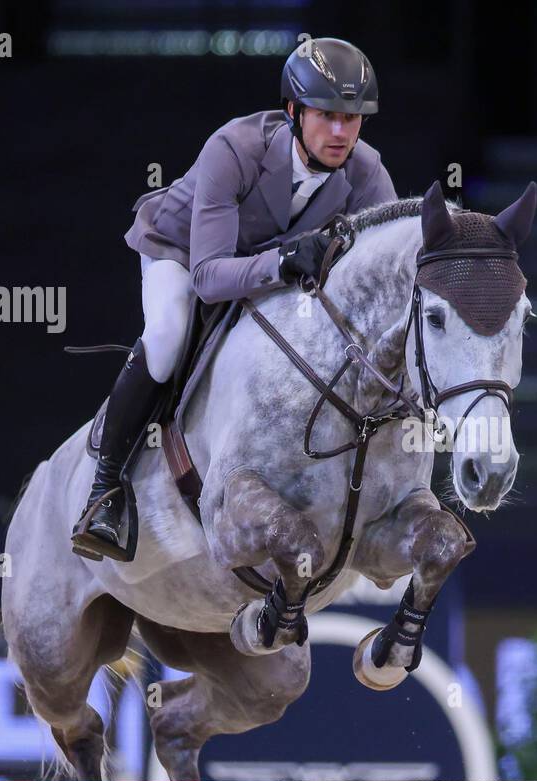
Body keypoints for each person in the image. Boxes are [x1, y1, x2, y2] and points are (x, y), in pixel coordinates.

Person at [73, 37, 398, 561]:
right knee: (166, 337)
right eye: (326, 115)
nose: (341, 132)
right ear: (293, 111)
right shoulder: (235, 147)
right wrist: (284, 262)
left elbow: (381, 279)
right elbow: (208, 278)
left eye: (353, 118)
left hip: (269, 271)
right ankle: (105, 491)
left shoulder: (366, 173)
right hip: (181, 251)